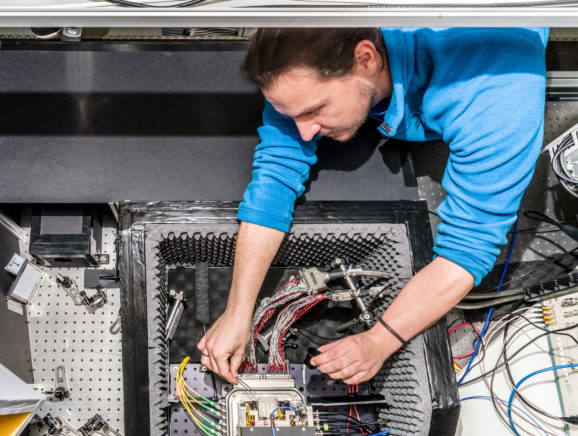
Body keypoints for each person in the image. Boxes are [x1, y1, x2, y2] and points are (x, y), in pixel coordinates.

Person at [197, 27, 548, 385]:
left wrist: (379, 340)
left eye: (316, 110)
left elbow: (464, 254)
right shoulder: (304, 53)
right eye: (291, 114)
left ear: (366, 58)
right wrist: (238, 311)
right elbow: (277, 174)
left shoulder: (499, 95)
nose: (303, 132)